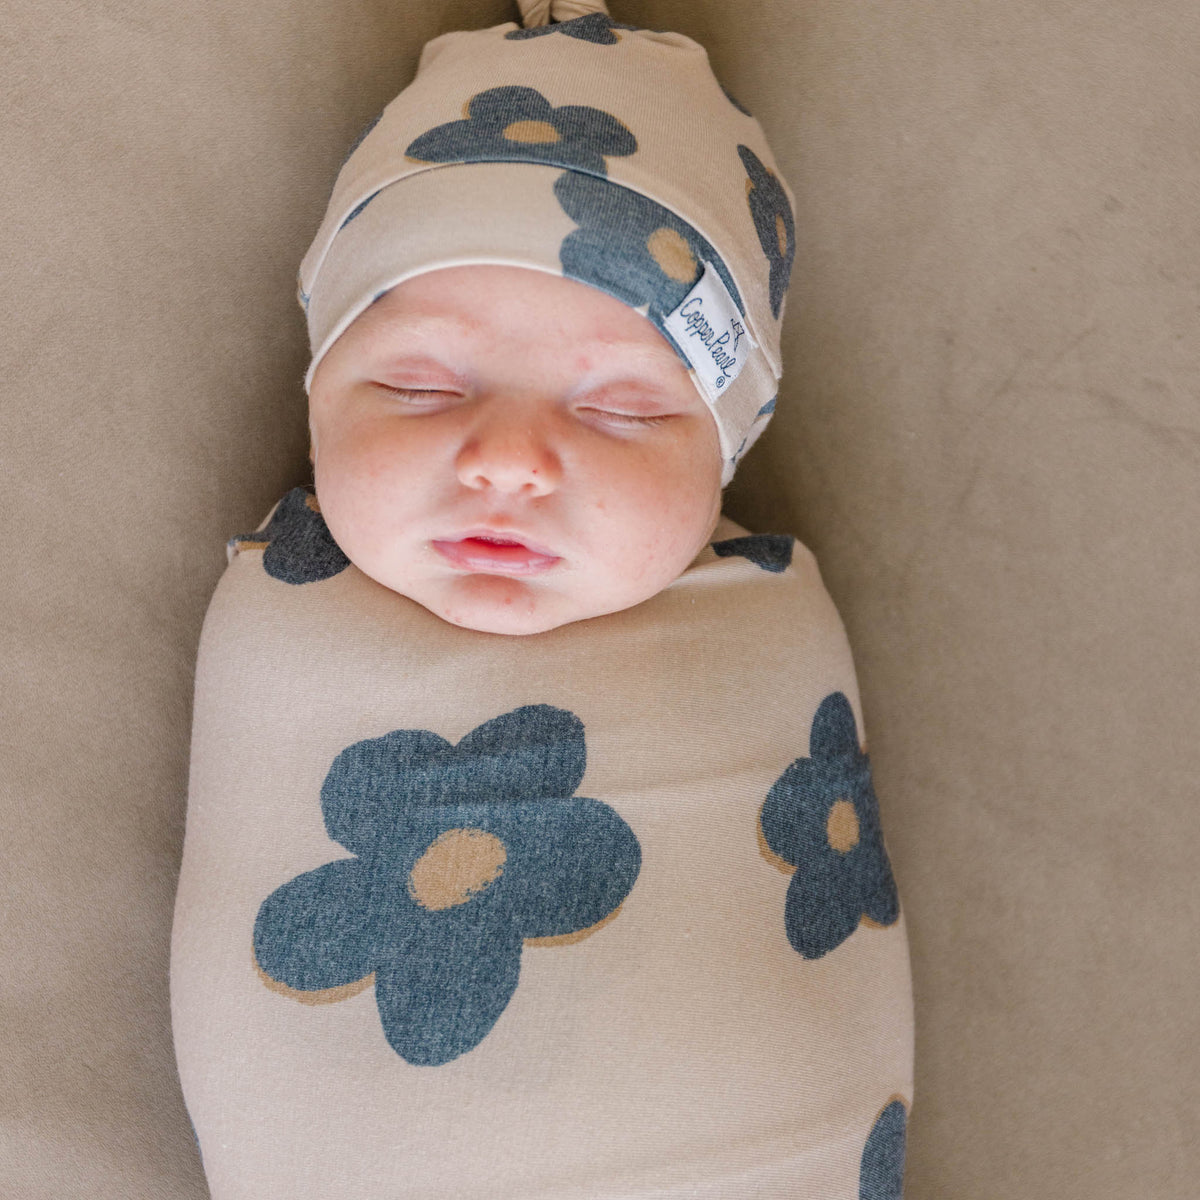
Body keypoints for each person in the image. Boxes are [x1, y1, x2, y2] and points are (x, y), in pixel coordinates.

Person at [170, 3, 914, 1196]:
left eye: (621, 408)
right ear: (316, 400)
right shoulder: (278, 620)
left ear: (721, 451)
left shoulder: (770, 628)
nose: (508, 459)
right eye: (415, 385)